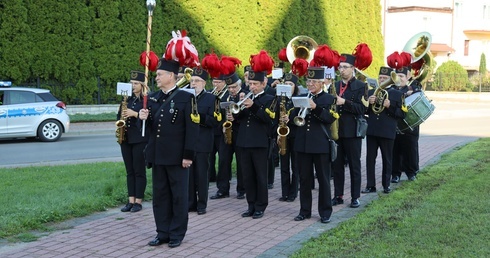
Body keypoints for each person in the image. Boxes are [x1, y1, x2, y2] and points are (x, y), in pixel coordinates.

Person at [139, 58, 199, 248]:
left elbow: (192, 129)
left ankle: (176, 234)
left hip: (177, 157)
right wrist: (144, 119)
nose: (156, 78)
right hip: (158, 156)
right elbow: (152, 129)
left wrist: (188, 155)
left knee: (179, 197)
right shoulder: (154, 97)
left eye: (159, 74)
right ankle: (162, 232)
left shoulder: (186, 98)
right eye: (156, 74)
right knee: (160, 197)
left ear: (171, 76)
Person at [292, 67, 337, 223]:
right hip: (303, 144)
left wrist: (315, 107)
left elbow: (330, 118)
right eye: (308, 81)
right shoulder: (302, 96)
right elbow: (294, 118)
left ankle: (325, 212)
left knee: (323, 180)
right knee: (304, 179)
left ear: (321, 82)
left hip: (320, 145)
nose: (310, 84)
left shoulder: (329, 99)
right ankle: (305, 211)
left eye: (313, 81)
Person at [235, 69, 275, 219]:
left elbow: (268, 119)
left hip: (260, 143)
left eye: (255, 84)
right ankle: (250, 205)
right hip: (244, 142)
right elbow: (239, 118)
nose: (251, 87)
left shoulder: (269, 99)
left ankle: (260, 206)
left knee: (260, 175)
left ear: (263, 83)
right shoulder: (245, 98)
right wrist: (236, 111)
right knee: (247, 176)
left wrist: (253, 106)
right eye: (250, 83)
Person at [331, 54, 367, 208]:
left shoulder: (361, 86)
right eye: (340, 67)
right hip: (337, 131)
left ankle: (355, 197)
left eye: (345, 67)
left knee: (354, 165)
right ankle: (338, 195)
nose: (342, 70)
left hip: (352, 132)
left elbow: (362, 108)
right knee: (337, 166)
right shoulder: (335, 84)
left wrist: (344, 102)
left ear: (353, 68)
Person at [362, 67, 405, 194]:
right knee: (370, 159)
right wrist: (369, 104)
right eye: (380, 78)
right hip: (372, 130)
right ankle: (371, 185)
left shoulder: (397, 94)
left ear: (391, 80)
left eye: (385, 79)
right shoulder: (371, 92)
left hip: (387, 131)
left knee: (387, 159)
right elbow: (364, 111)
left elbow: (402, 114)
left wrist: (389, 106)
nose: (382, 80)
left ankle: (386, 185)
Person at [188, 67, 220, 215]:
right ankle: (190, 203)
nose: (193, 84)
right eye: (192, 81)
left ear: (204, 83)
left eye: (197, 81)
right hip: (188, 141)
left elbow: (215, 121)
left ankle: (202, 204)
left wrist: (198, 117)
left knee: (201, 174)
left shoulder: (212, 99)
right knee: (189, 175)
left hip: (203, 141)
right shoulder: (186, 97)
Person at [118, 70, 149, 213]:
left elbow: (151, 119)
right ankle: (130, 200)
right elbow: (119, 116)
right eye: (131, 83)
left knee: (139, 171)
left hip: (140, 139)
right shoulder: (126, 99)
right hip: (126, 138)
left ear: (143, 84)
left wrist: (135, 114)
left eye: (136, 83)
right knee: (129, 171)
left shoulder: (147, 99)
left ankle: (138, 201)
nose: (133, 86)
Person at [215, 72, 248, 200]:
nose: (232, 90)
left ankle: (242, 189)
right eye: (229, 88)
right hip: (226, 132)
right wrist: (223, 123)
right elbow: (217, 115)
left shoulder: (244, 96)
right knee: (223, 161)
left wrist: (236, 118)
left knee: (241, 162)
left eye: (234, 87)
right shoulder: (224, 98)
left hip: (240, 133)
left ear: (239, 84)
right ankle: (222, 189)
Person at [391, 66, 421, 183]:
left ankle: (411, 172)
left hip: (410, 126)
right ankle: (395, 174)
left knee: (411, 149)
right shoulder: (392, 89)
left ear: (407, 77)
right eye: (397, 76)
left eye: (402, 76)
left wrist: (413, 92)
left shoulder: (413, 88)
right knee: (395, 150)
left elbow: (420, 94)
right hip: (395, 125)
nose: (399, 78)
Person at [278, 73, 299, 202]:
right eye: (286, 84)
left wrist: (289, 119)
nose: (288, 86)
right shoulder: (279, 100)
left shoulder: (299, 99)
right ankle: (285, 192)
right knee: (284, 166)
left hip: (295, 135)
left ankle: (293, 192)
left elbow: (300, 118)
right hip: (283, 135)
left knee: (295, 166)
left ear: (295, 86)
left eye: (290, 84)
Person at [208, 76, 229, 186]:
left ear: (224, 82)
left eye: (218, 82)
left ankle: (222, 184)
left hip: (222, 130)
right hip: (212, 130)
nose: (215, 84)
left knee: (223, 159)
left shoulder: (227, 94)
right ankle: (210, 177)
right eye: (214, 81)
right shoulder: (210, 94)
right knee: (209, 156)